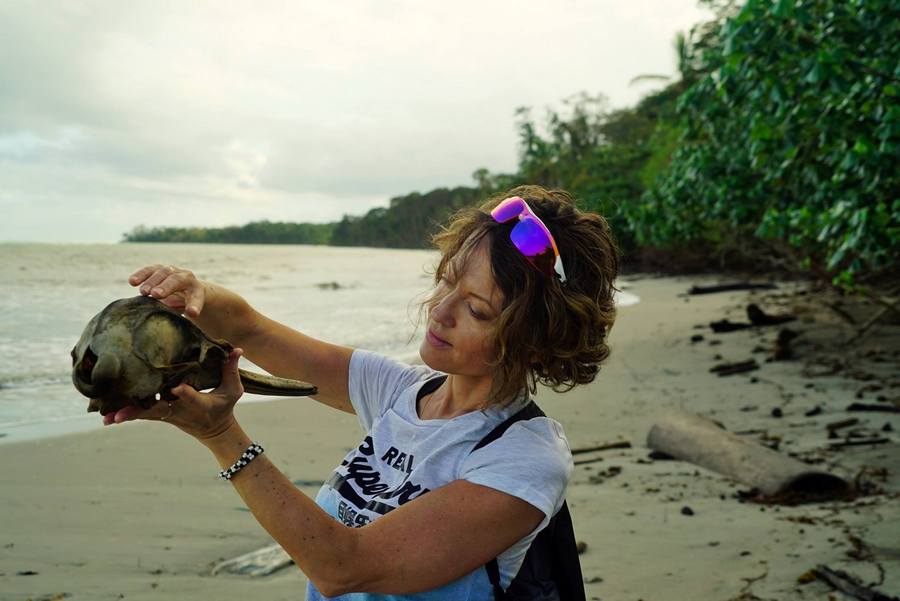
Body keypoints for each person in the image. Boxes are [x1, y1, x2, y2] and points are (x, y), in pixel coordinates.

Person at [105, 184, 620, 600]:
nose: (439, 312)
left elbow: (343, 568)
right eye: (447, 283)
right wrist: (191, 292)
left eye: (477, 310)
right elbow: (250, 329)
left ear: (536, 344)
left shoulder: (523, 458)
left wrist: (221, 435)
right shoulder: (401, 391)